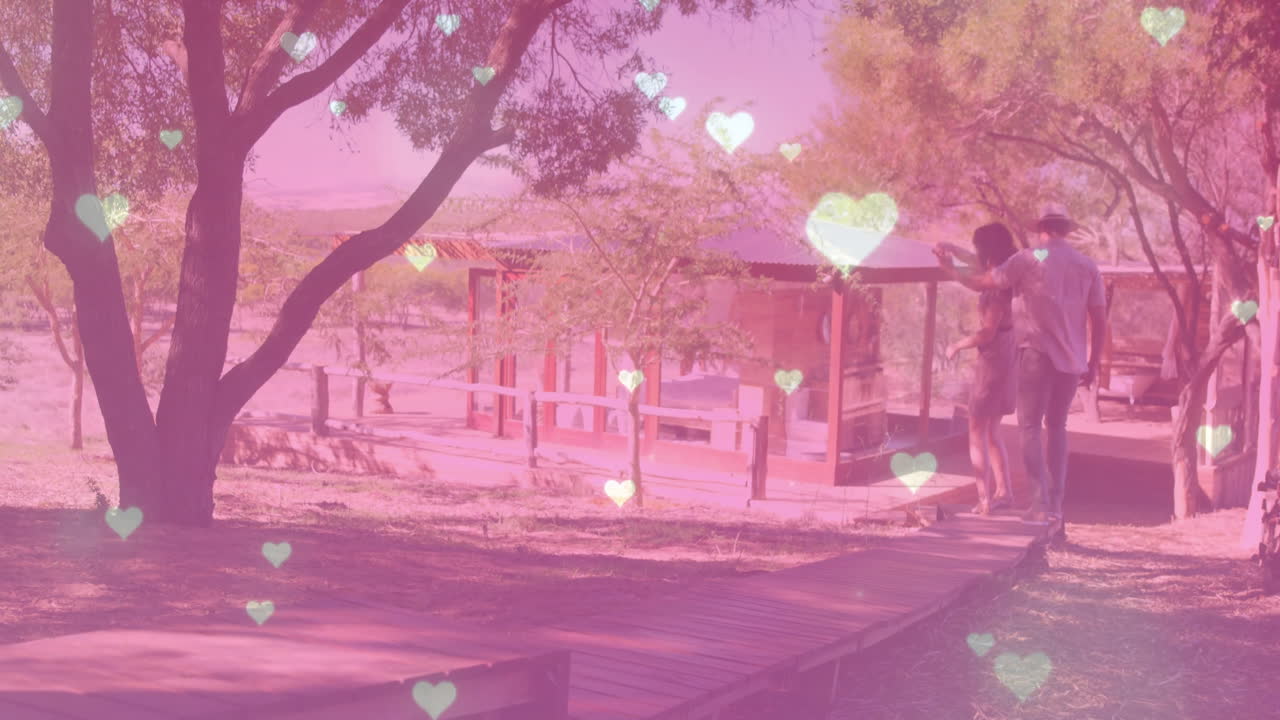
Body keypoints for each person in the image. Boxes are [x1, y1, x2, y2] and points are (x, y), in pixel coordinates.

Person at [934, 205, 1107, 543]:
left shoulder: (1031, 258)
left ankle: (1040, 503)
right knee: (1057, 428)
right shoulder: (1087, 265)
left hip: (1036, 355)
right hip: (1072, 361)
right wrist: (1094, 360)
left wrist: (948, 267)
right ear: (1067, 230)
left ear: (1041, 228)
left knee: (1029, 428)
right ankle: (1055, 504)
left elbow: (983, 279)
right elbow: (1099, 318)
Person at [940, 224, 1018, 515]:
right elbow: (974, 265)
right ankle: (1004, 492)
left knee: (976, 429)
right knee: (993, 431)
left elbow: (987, 333)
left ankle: (985, 499)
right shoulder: (1008, 270)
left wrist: (957, 345)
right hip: (1007, 356)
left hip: (994, 359)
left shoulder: (997, 288)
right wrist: (952, 247)